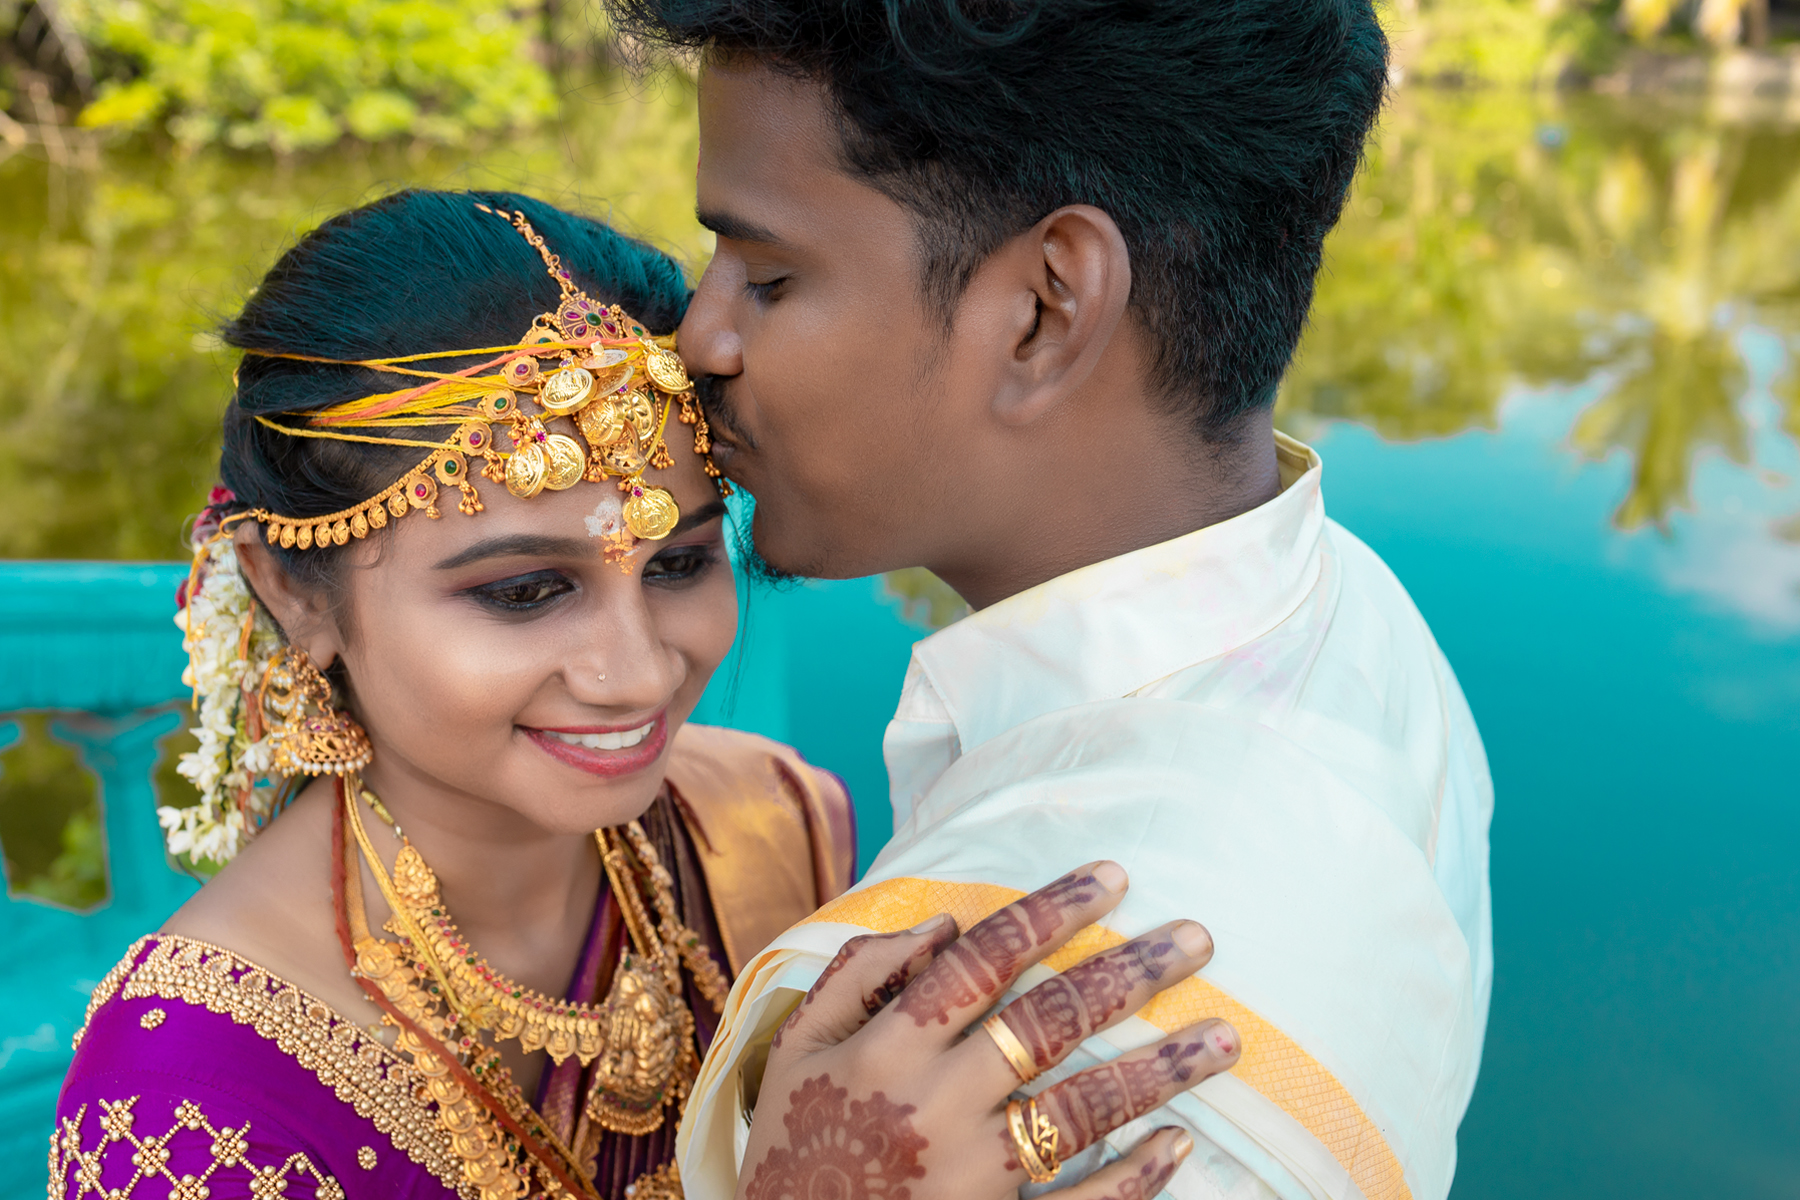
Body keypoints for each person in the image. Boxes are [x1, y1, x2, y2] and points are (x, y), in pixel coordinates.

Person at [46, 188, 1241, 1200]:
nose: (639, 669)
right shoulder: (187, 1096)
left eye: (677, 564)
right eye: (522, 593)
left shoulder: (771, 817)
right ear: (296, 596)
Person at [602, 3, 1496, 1199]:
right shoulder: (1342, 605)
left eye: (767, 275)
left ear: (1043, 309)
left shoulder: (1106, 1013)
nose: (698, 337)